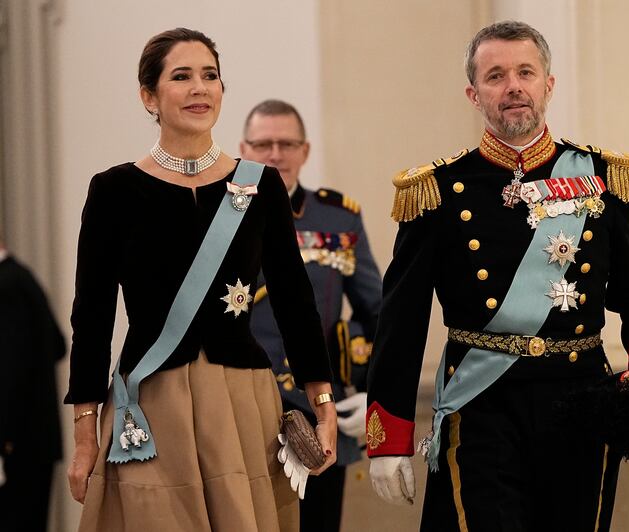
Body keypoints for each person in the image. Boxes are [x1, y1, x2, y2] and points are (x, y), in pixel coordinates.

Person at [366, 20, 629, 531]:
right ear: (474, 94)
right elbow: (401, 322)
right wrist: (389, 438)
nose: (513, 86)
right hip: (480, 406)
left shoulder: (602, 177)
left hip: (582, 401)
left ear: (548, 85)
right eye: (496, 76)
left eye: (525, 73)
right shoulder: (439, 190)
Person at [64, 28, 337, 532]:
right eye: (181, 76)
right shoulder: (114, 191)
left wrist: (322, 404)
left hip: (242, 402)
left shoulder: (261, 185)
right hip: (150, 403)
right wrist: (84, 440)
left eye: (210, 76)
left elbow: (296, 302)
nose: (199, 88)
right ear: (149, 96)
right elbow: (92, 317)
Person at [241, 99, 383, 532]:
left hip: (317, 408)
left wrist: (370, 388)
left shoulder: (337, 218)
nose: (275, 154)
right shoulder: (219, 218)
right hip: (243, 404)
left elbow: (377, 313)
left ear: (305, 151)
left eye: (287, 144)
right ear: (243, 151)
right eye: (263, 144)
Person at [0, 239, 66, 532]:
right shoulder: (22, 277)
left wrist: (5, 435)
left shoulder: (6, 285)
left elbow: (10, 369)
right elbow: (58, 345)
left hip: (16, 440)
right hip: (36, 437)